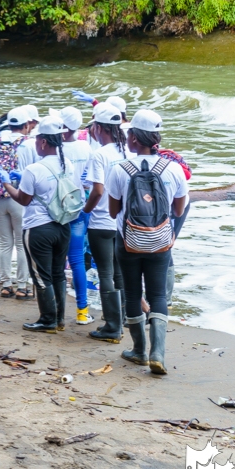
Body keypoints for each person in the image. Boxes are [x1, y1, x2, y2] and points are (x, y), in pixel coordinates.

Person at [106, 109, 188, 375]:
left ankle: (139, 351)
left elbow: (113, 211)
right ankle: (158, 353)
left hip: (128, 241)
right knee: (157, 295)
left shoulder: (119, 169)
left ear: (133, 139)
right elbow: (178, 210)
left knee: (132, 293)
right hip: (161, 242)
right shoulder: (173, 169)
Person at [0, 115, 82, 333]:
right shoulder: (68, 165)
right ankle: (60, 318)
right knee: (57, 273)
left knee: (41, 275)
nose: (35, 144)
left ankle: (48, 319)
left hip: (38, 227)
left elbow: (23, 199)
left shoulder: (34, 169)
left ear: (43, 142)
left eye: (37, 141)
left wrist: (7, 183)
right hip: (63, 226)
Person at [82, 104, 130, 343]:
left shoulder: (100, 154)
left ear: (99, 128)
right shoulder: (127, 151)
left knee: (105, 273)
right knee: (120, 273)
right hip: (123, 221)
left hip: (101, 221)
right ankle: (121, 318)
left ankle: (112, 326)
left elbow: (97, 190)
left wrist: (85, 210)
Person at [0, 106, 35, 299]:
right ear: (27, 125)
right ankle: (22, 286)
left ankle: (5, 284)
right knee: (21, 244)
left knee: (5, 242)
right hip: (18, 196)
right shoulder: (29, 143)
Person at [57, 106, 96, 326]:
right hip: (78, 209)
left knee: (56, 262)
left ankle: (56, 312)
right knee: (77, 261)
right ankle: (82, 312)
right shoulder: (86, 148)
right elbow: (88, 182)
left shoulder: (54, 148)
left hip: (55, 211)